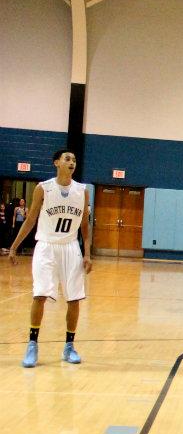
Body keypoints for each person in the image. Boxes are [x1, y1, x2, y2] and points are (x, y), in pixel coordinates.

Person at [8, 150, 92, 367]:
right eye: (67, 159)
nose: (72, 162)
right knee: (40, 295)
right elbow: (30, 220)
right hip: (46, 246)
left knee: (73, 298)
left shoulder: (82, 191)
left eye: (74, 159)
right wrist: (14, 247)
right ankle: (32, 345)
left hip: (71, 247)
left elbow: (84, 225)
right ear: (56, 162)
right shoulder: (43, 188)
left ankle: (69, 346)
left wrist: (88, 254)